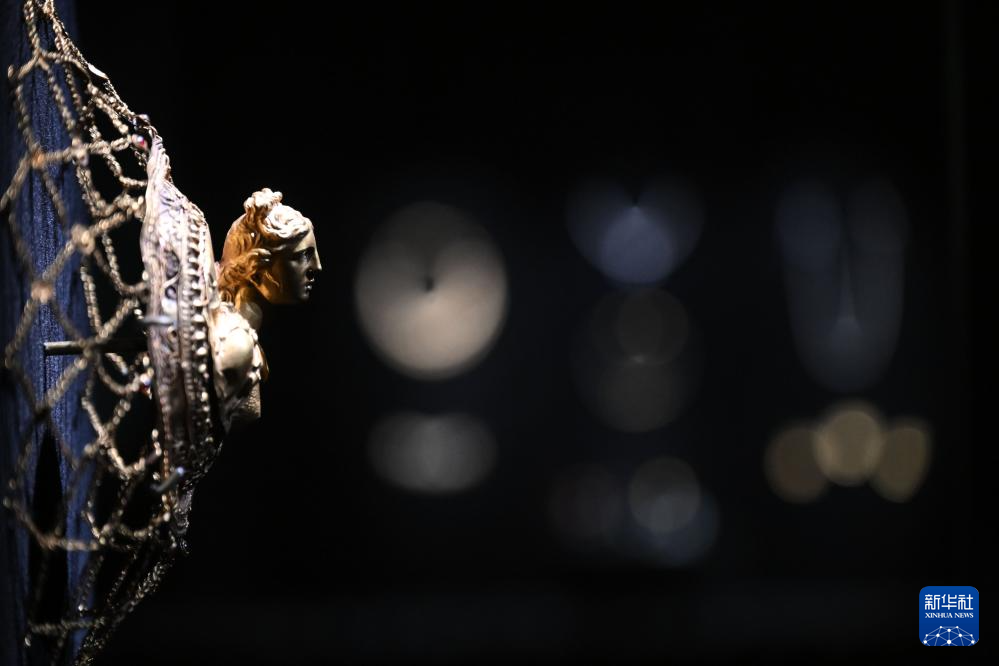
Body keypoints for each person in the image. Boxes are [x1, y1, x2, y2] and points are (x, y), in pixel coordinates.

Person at [211, 188, 322, 428]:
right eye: (303, 256)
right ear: (256, 269)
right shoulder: (235, 344)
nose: (317, 267)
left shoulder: (242, 339)